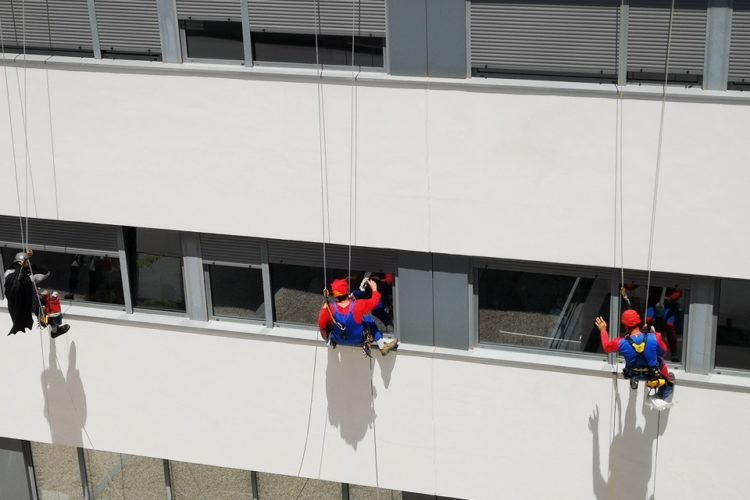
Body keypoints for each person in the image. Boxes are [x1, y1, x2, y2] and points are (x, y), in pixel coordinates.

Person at [595, 310, 674, 408]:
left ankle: (635, 379)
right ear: (639, 322)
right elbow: (663, 351)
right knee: (661, 362)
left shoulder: (621, 342)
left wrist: (603, 329)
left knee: (630, 358)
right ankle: (663, 392)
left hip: (633, 373)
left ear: (625, 326)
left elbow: (606, 347)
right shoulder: (653, 337)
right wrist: (654, 336)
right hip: (652, 375)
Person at [318, 278, 398, 356]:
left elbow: (322, 327)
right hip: (358, 339)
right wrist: (374, 289)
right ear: (347, 291)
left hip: (338, 340)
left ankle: (332, 342)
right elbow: (374, 302)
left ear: (334, 294)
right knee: (369, 319)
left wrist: (327, 339)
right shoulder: (358, 305)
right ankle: (382, 346)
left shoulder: (328, 308)